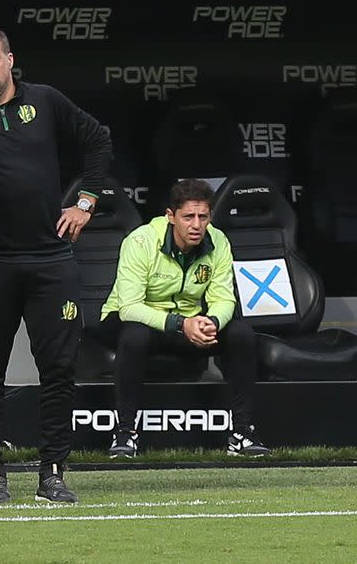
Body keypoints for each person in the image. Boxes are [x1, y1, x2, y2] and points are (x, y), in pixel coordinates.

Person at [0, 27, 113, 504]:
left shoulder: (46, 100)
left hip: (51, 259)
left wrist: (85, 201)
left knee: (58, 369)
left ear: (10, 59)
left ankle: (53, 472)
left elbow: (98, 141)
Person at [95, 178, 270, 458]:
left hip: (188, 322)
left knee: (241, 334)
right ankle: (125, 432)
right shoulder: (140, 241)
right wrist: (180, 324)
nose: (197, 225)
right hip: (135, 321)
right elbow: (129, 307)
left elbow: (225, 299)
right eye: (188, 217)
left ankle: (242, 432)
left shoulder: (218, 241)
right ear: (170, 216)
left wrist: (211, 322)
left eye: (203, 216)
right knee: (135, 335)